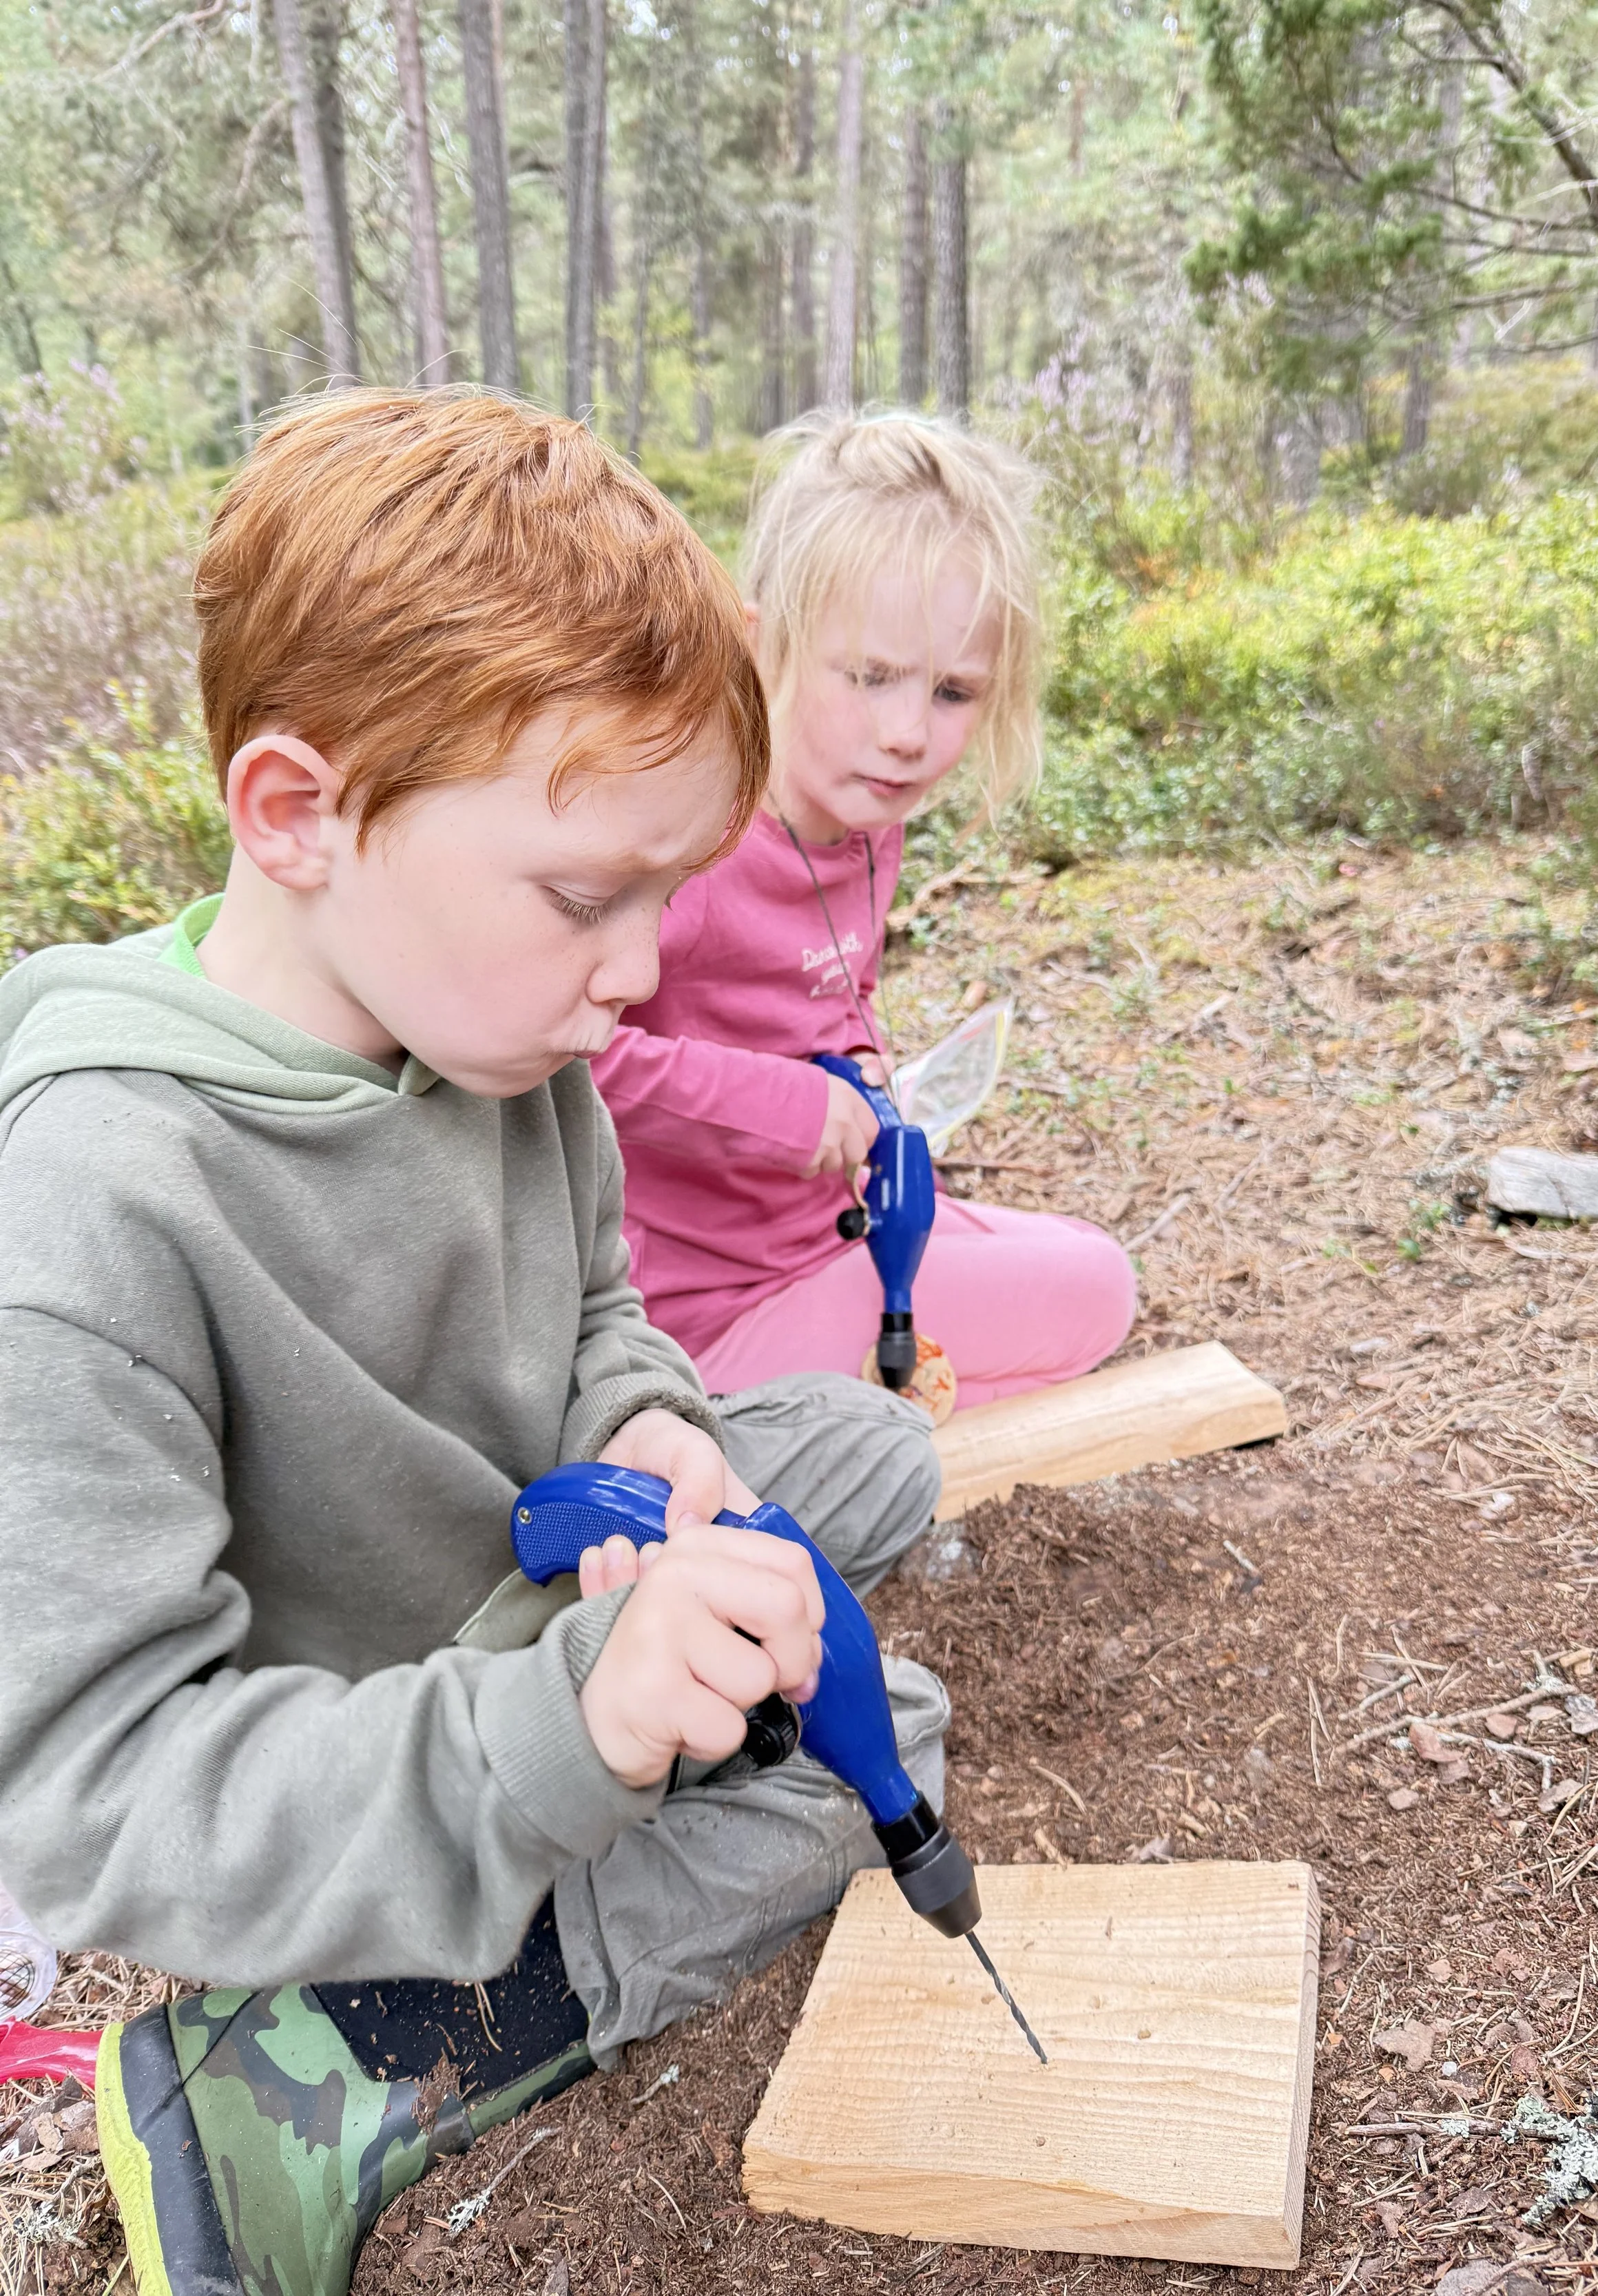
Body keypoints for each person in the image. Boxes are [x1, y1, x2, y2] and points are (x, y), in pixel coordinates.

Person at [0, 392, 946, 2296]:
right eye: (588, 892)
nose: (642, 969)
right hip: (358, 1734)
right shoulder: (96, 1200)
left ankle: (613, 1713)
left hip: (517, 1541)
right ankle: (309, 2065)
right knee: (880, 1745)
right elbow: (92, 1786)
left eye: (667, 893)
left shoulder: (503, 1024)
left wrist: (656, 1424)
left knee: (864, 1454)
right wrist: (565, 1722)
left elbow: (597, 1304)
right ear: (299, 813)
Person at [590, 410, 1137, 1410]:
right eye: (872, 676)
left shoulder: (863, 817)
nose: (907, 735)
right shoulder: (692, 844)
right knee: (1095, 1296)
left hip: (823, 1233)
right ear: (762, 645)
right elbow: (565, 1060)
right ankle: (740, 1418)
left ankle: (827, 1398)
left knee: (1093, 1268)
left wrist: (861, 1064)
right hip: (696, 1303)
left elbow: (829, 992)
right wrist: (790, 1104)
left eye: (954, 692)